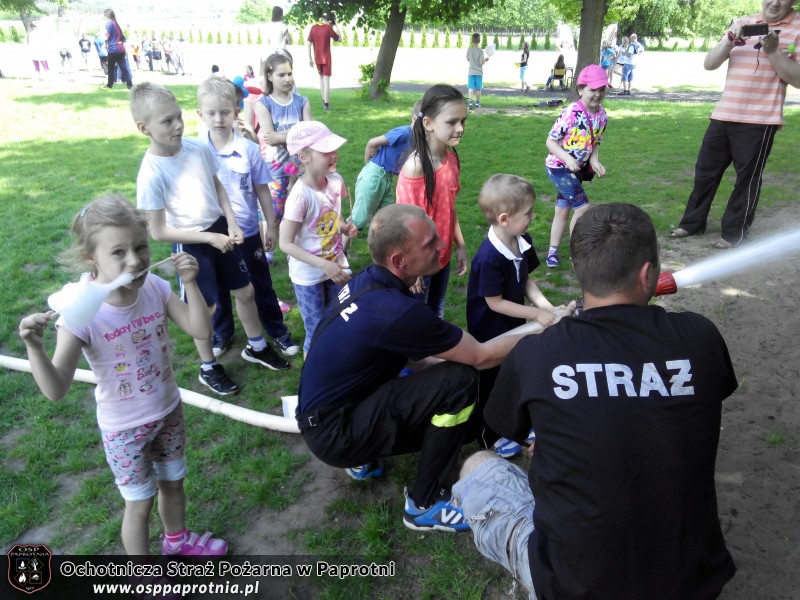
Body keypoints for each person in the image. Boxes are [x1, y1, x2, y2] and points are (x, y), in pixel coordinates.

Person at [454, 202, 738, 599]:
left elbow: (506, 426)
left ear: (579, 271)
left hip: (572, 583)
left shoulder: (537, 353)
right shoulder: (701, 337)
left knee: (477, 464)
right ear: (647, 273)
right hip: (691, 579)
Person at [297, 202, 530, 532]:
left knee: (446, 377)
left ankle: (362, 458)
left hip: (323, 416)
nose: (441, 246)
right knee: (461, 381)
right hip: (337, 434)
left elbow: (411, 356)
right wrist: (545, 332)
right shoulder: (398, 311)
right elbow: (481, 356)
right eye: (430, 244)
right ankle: (424, 503)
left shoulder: (369, 283)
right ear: (399, 261)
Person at [18, 195, 229, 556]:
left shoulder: (155, 288)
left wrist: (190, 283)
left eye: (141, 247)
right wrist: (35, 348)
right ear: (91, 258)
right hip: (124, 429)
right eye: (118, 253)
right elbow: (56, 389)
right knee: (140, 504)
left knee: (174, 482)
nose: (135, 260)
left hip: (168, 410)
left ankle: (176, 541)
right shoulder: (80, 315)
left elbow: (200, 330)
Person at [130, 82, 279, 396]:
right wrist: (209, 237)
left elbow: (219, 188)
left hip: (219, 229)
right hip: (191, 244)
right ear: (144, 128)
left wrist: (232, 223)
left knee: (246, 290)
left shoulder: (198, 149)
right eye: (167, 121)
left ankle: (256, 346)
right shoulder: (151, 173)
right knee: (205, 309)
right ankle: (208, 367)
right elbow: (158, 231)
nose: (178, 125)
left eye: (179, 117)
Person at [670, 0, 800, 249]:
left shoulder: (798, 28)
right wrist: (729, 40)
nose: (774, 2)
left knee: (746, 179)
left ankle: (734, 233)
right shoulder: (742, 22)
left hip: (761, 118)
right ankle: (692, 224)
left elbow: (796, 79)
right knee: (705, 173)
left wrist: (773, 51)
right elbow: (709, 63)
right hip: (724, 112)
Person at [196, 77, 298, 363]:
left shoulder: (249, 150)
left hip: (248, 232)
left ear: (236, 111)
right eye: (211, 113)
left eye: (225, 112)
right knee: (217, 289)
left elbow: (262, 189)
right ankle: (222, 333)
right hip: (212, 234)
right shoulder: (194, 151)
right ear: (200, 114)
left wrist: (271, 225)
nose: (218, 118)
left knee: (260, 284)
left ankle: (276, 330)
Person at [467, 174, 564, 458]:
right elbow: (495, 303)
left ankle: (516, 423)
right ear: (505, 218)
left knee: (516, 371)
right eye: (528, 213)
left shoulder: (522, 240)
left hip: (514, 325)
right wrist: (535, 313)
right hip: (490, 330)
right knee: (492, 381)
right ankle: (489, 435)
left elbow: (527, 282)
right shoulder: (489, 257)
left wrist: (546, 308)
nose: (533, 217)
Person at [278, 121, 355, 356]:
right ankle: (312, 376)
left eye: (334, 149)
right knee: (317, 329)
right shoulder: (299, 196)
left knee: (338, 319)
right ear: (304, 156)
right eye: (326, 151)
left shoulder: (336, 181)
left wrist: (343, 227)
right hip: (309, 275)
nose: (334, 155)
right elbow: (285, 243)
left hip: (334, 265)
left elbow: (331, 213)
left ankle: (335, 362)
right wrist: (324, 265)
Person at [396, 84, 469, 319]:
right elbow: (406, 226)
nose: (460, 128)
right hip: (419, 262)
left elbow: (450, 207)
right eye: (451, 122)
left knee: (436, 312)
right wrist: (413, 268)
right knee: (416, 320)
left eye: (463, 121)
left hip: (443, 256)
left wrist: (460, 245)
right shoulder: (416, 168)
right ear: (428, 123)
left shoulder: (451, 158)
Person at [544, 64, 609, 269]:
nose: (597, 94)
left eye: (602, 90)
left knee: (562, 210)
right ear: (580, 89)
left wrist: (594, 160)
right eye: (592, 90)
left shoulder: (602, 115)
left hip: (577, 170)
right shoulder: (571, 112)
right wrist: (567, 158)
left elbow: (595, 141)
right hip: (558, 167)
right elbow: (550, 142)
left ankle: (552, 253)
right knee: (583, 206)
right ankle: (577, 252)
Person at [253, 53, 312, 229]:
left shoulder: (302, 102)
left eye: (289, 74)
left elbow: (310, 134)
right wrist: (298, 131)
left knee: (304, 209)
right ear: (269, 76)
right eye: (281, 75)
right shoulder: (263, 103)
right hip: (275, 167)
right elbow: (269, 138)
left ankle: (298, 250)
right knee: (275, 212)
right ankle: (269, 253)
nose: (287, 79)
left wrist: (282, 135)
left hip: (302, 165)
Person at [351, 100, 420, 231]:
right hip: (374, 175)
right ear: (414, 118)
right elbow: (372, 143)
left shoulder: (418, 141)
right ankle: (342, 249)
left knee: (387, 218)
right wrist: (368, 166)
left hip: (386, 177)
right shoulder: (404, 133)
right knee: (358, 220)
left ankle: (381, 246)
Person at [307, 12, 341, 111]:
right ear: (330, 21)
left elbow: (308, 43)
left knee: (321, 79)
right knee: (326, 81)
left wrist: (309, 58)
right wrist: (337, 26)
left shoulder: (313, 27)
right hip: (326, 58)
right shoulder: (328, 28)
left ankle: (324, 101)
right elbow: (340, 39)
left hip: (317, 58)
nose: (332, 26)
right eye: (332, 24)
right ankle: (326, 104)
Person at [102, 9, 131, 90]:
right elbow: (123, 38)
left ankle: (109, 85)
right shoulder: (116, 24)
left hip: (113, 50)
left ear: (107, 16)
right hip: (121, 49)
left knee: (110, 68)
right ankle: (130, 84)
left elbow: (106, 36)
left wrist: (103, 42)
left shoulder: (108, 24)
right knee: (123, 68)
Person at [466, 32, 489, 109]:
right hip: (479, 72)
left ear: (472, 40)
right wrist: (485, 60)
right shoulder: (480, 51)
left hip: (471, 72)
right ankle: (477, 103)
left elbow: (468, 58)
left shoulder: (469, 50)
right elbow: (481, 63)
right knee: (478, 89)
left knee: (471, 88)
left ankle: (470, 103)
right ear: (479, 41)